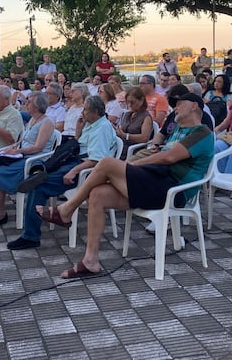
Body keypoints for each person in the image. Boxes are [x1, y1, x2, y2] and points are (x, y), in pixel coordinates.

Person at [35, 92, 214, 278]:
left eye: (179, 103)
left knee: (105, 163)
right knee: (97, 194)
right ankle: (90, 261)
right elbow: (161, 152)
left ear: (194, 106)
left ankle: (66, 210)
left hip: (173, 191)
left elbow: (168, 157)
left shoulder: (202, 133)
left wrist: (131, 165)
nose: (175, 107)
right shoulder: (178, 129)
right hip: (155, 182)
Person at [7, 95, 118, 250]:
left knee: (38, 185)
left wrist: (73, 171)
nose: (83, 112)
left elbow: (97, 160)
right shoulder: (92, 124)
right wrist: (79, 131)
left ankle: (30, 236)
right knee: (38, 181)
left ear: (94, 111)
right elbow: (82, 145)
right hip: (75, 160)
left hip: (83, 169)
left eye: (85, 109)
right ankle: (37, 191)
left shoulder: (102, 129)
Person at [0, 92, 56, 228]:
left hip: (33, 160)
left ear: (37, 106)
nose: (26, 104)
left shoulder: (46, 122)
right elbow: (23, 139)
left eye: (29, 102)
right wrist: (11, 147)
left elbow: (38, 147)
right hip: (21, 155)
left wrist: (17, 151)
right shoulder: (32, 120)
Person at [115, 86, 154, 156]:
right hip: (121, 145)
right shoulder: (127, 114)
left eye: (132, 102)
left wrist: (126, 136)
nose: (129, 105)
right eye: (128, 102)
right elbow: (121, 129)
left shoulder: (146, 117)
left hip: (134, 149)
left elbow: (144, 138)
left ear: (141, 100)